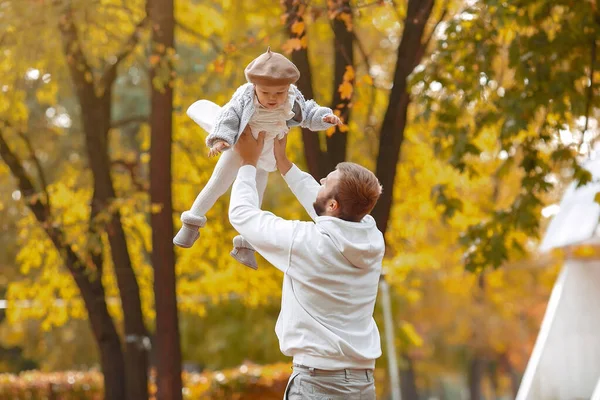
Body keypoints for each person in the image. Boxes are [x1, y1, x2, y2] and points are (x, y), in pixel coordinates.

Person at [229, 129, 385, 399]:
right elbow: (329, 211)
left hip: (319, 383)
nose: (321, 180)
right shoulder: (371, 237)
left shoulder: (306, 243)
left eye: (326, 182)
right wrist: (286, 165)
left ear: (334, 204)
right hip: (361, 384)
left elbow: (242, 215)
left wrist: (248, 164)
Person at [173, 47, 342, 270]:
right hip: (241, 147)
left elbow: (309, 112)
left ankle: (245, 245)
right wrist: (221, 140)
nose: (273, 99)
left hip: (268, 152)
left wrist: (324, 117)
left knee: (255, 197)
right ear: (255, 87)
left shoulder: (292, 98)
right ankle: (191, 223)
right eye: (266, 93)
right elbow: (229, 116)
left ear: (288, 88)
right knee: (218, 184)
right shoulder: (245, 97)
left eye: (279, 93)